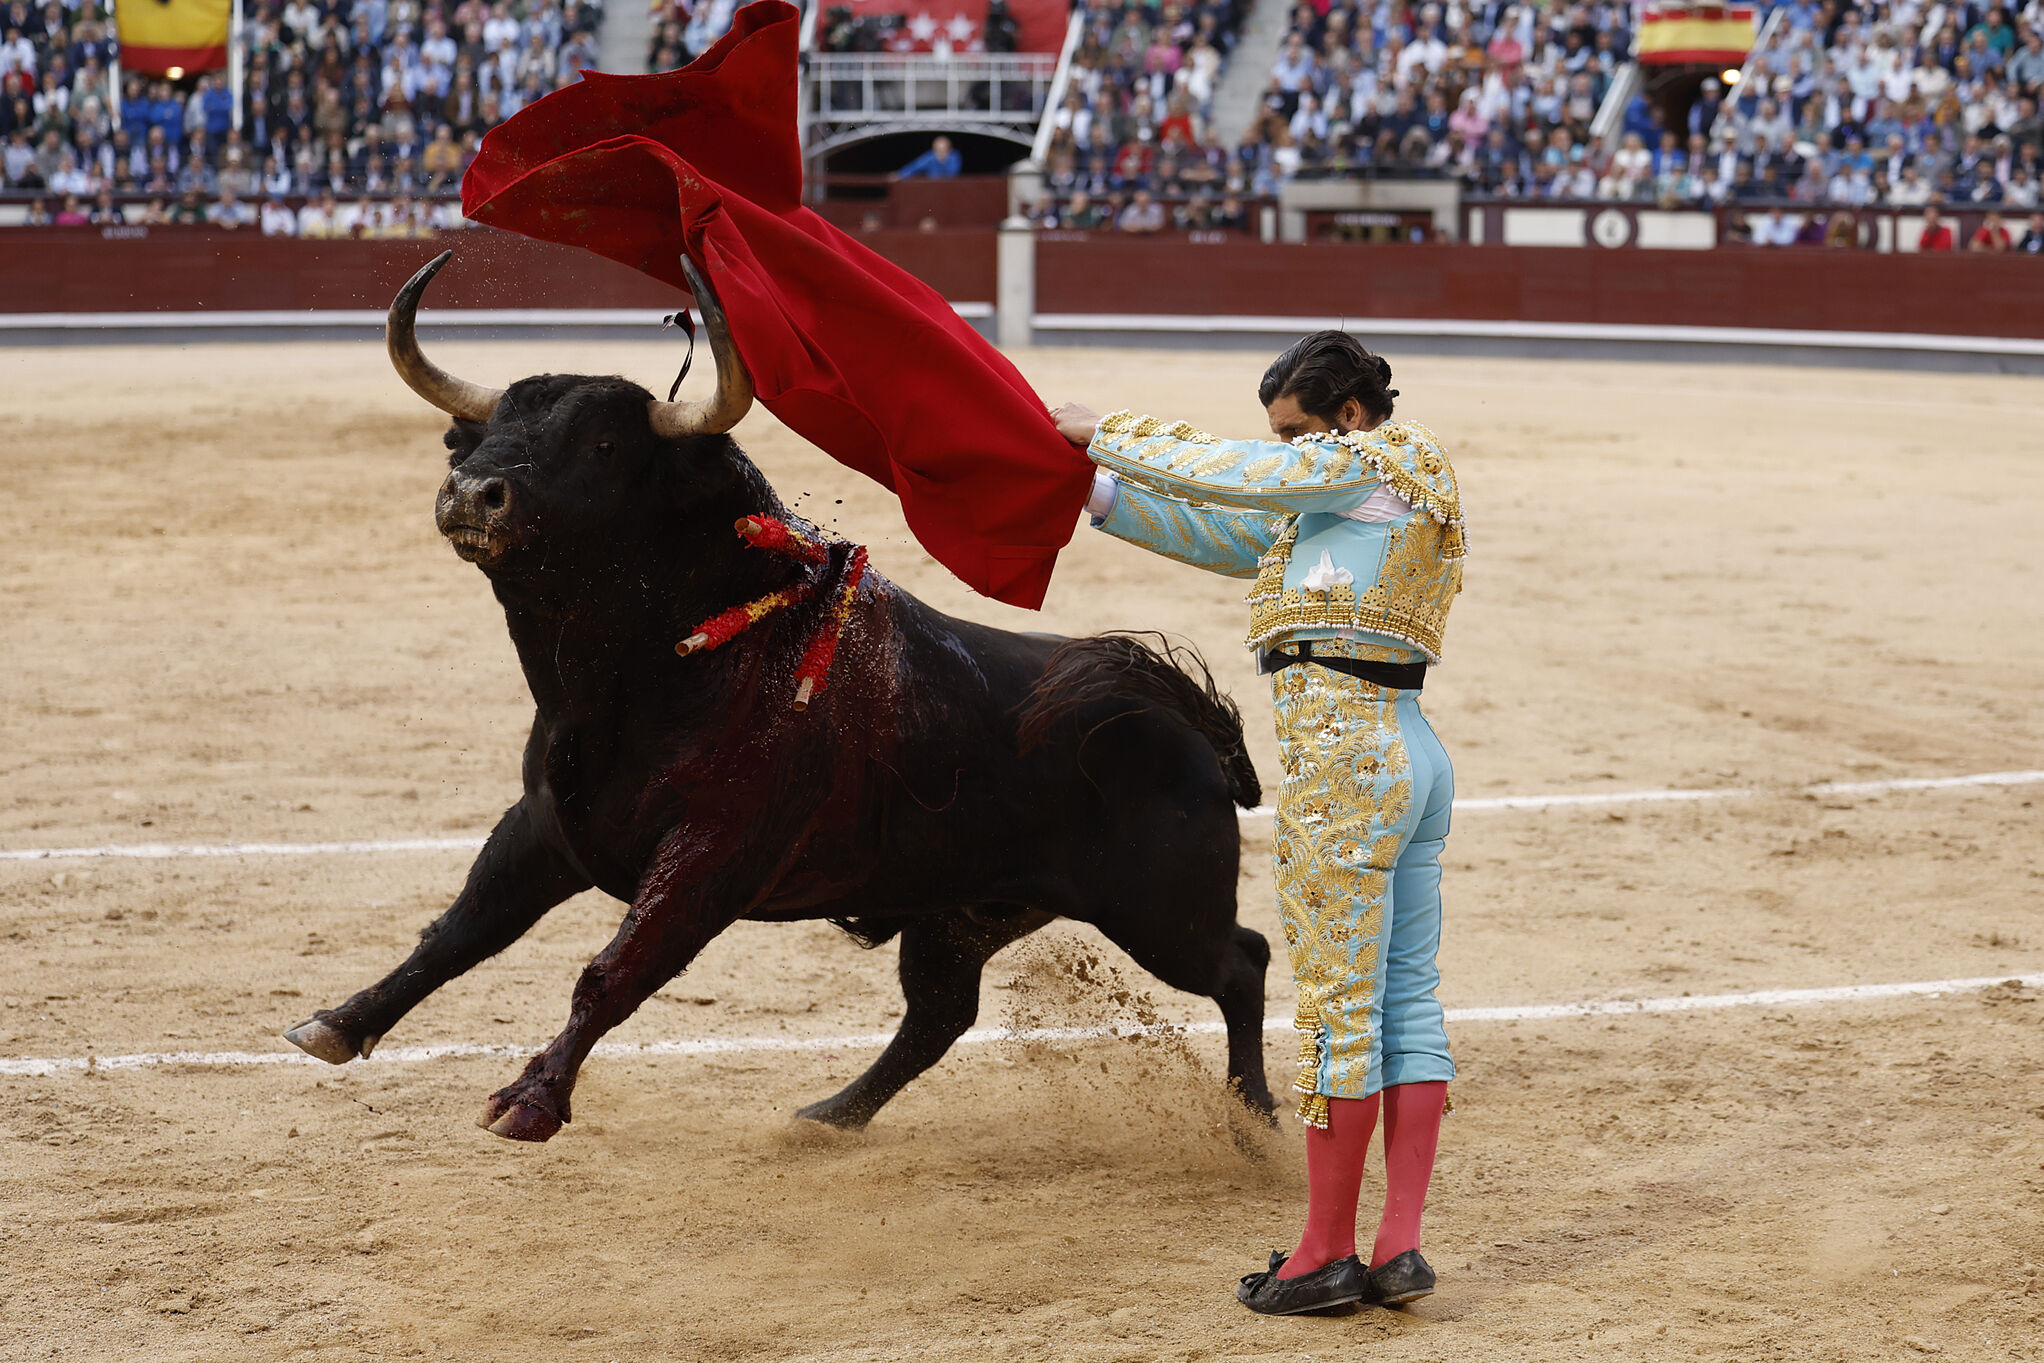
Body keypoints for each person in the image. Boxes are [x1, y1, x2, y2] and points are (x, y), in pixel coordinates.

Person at [1050, 332, 1462, 1316]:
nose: (1281, 450)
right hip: (1408, 748)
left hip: (1346, 766)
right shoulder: (1355, 505)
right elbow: (1219, 530)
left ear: (1348, 416)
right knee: (1403, 999)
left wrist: (1103, 430)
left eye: (1294, 433)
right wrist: (1087, 488)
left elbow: (1238, 477)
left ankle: (1323, 1249)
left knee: (1335, 1008)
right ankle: (1395, 1245)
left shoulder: (1374, 461)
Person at [895, 134, 960, 179]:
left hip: (950, 187)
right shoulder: (930, 157)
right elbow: (915, 166)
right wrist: (900, 175)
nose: (941, 152)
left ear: (949, 149)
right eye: (938, 149)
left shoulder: (954, 156)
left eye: (944, 149)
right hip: (932, 187)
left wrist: (942, 161)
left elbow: (953, 173)